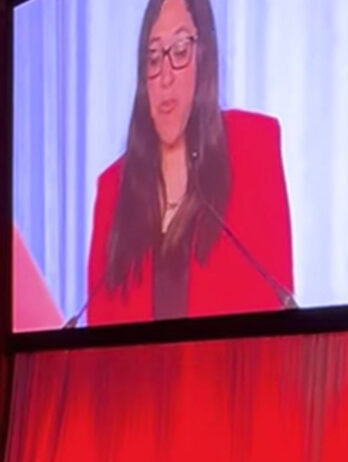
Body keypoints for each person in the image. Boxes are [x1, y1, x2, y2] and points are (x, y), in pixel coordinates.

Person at [86, 0, 294, 326]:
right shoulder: (114, 190)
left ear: (204, 56)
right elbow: (99, 336)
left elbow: (277, 310)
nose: (165, 76)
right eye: (153, 58)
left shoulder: (253, 149)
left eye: (180, 50)